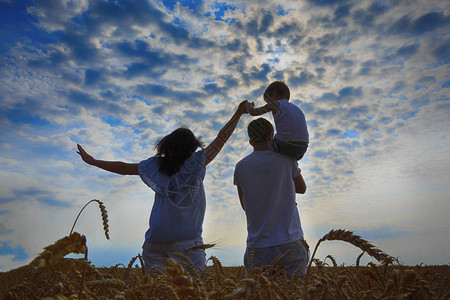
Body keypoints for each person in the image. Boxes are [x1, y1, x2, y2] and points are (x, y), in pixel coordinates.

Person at [76, 100, 249, 272]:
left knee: (155, 291)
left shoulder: (155, 166)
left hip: (155, 243)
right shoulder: (197, 163)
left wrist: (93, 161)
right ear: (192, 147)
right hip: (187, 244)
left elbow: (123, 168)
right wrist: (238, 113)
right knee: (195, 291)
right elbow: (221, 138)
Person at [233, 117, 308, 276]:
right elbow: (301, 188)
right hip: (289, 242)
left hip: (257, 247)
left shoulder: (241, 167)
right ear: (271, 136)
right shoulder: (286, 159)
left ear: (250, 141)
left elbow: (245, 205)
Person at [246, 81, 309, 160]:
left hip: (285, 144)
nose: (268, 104)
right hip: (302, 149)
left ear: (274, 93)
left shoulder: (276, 104)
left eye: (268, 101)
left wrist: (248, 106)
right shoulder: (297, 109)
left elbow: (253, 112)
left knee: (262, 142)